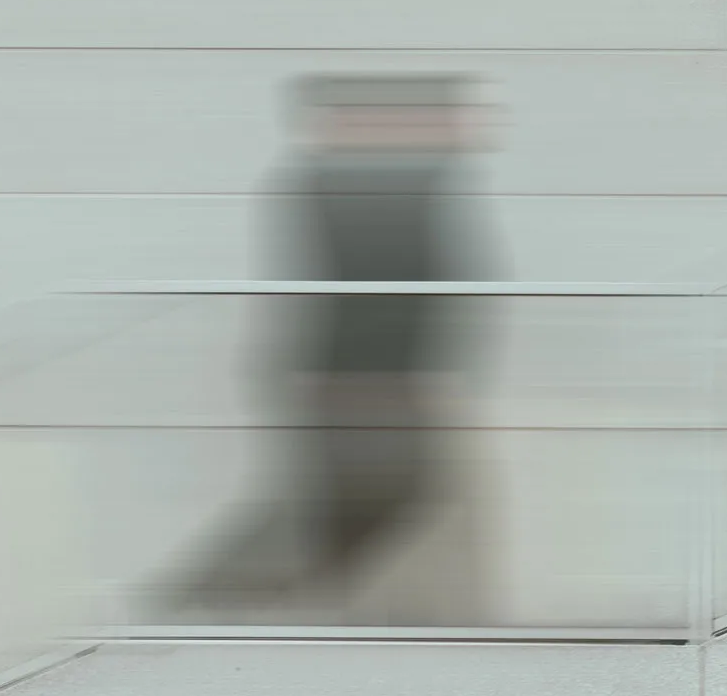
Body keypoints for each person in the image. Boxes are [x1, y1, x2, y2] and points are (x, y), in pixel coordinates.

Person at [168, 74, 495, 619]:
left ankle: (218, 599)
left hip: (369, 377)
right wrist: (382, 377)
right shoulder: (359, 184)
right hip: (362, 378)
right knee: (363, 496)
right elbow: (366, 289)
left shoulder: (405, 180)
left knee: (366, 497)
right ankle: (209, 599)